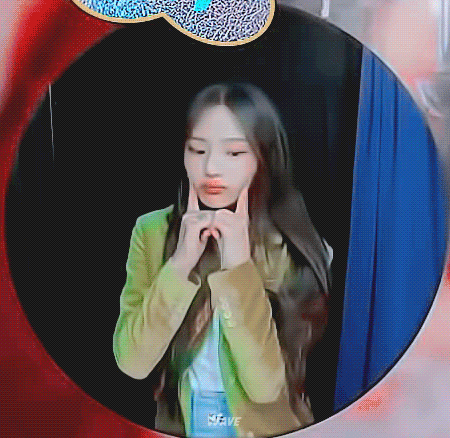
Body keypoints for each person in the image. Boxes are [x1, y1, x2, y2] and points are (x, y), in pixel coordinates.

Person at [113, 82, 332, 437]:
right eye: (198, 150)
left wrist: (238, 267)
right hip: (184, 421)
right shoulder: (152, 231)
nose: (211, 167)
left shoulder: (290, 244)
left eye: (233, 153)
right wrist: (180, 264)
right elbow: (132, 362)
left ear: (263, 158)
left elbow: (265, 387)